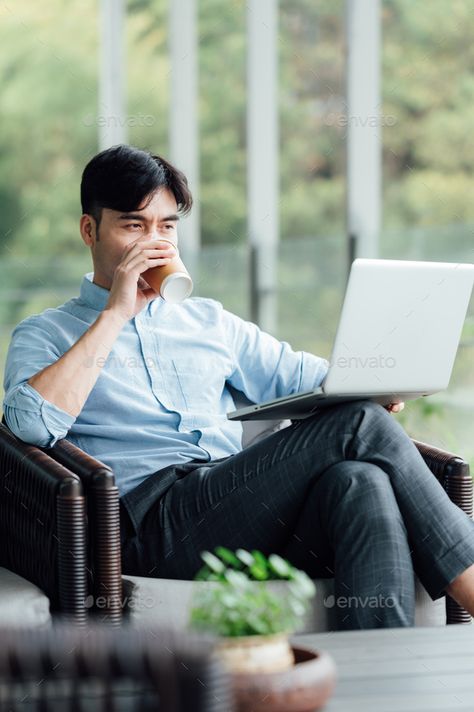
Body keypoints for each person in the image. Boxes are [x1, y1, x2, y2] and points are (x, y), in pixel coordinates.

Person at [3, 145, 474, 629]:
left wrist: (376, 382)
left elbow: (309, 377)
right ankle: (470, 582)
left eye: (166, 226)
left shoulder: (208, 321)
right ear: (90, 230)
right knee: (358, 424)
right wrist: (116, 313)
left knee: (359, 481)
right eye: (133, 225)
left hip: (236, 508)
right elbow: (29, 426)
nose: (155, 242)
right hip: (150, 526)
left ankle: (382, 684)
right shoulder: (48, 333)